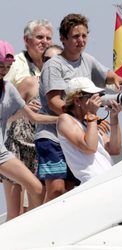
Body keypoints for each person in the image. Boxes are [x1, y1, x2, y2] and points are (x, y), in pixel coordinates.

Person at [35, 13, 122, 202]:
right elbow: (54, 102)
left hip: (79, 130)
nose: (81, 40)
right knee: (56, 190)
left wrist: (118, 79)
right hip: (52, 135)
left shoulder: (87, 59)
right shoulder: (54, 65)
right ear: (63, 39)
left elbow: (106, 75)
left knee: (70, 189)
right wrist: (88, 118)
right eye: (75, 36)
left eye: (84, 35)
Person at [0, 19, 54, 219]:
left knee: (37, 194)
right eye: (40, 37)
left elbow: (34, 114)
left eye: (48, 38)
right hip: (15, 142)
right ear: (27, 40)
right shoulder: (18, 68)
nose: (44, 42)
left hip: (24, 147)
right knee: (16, 209)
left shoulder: (10, 88)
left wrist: (63, 119)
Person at [57, 77, 122, 183]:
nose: (96, 99)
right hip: (92, 182)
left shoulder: (90, 122)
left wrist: (114, 117)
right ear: (77, 100)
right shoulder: (65, 119)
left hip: (109, 177)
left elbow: (114, 149)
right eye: (91, 96)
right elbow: (90, 147)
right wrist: (92, 114)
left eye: (97, 96)